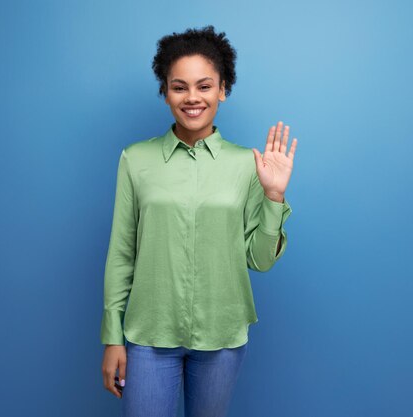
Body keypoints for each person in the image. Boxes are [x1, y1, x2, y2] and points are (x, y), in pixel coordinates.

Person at [100, 25, 297, 417]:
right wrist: (112, 337)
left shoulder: (248, 165)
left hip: (222, 337)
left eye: (204, 86)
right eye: (179, 87)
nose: (192, 98)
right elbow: (122, 252)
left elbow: (259, 260)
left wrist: (274, 196)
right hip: (148, 335)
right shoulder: (135, 159)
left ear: (222, 89)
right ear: (165, 92)